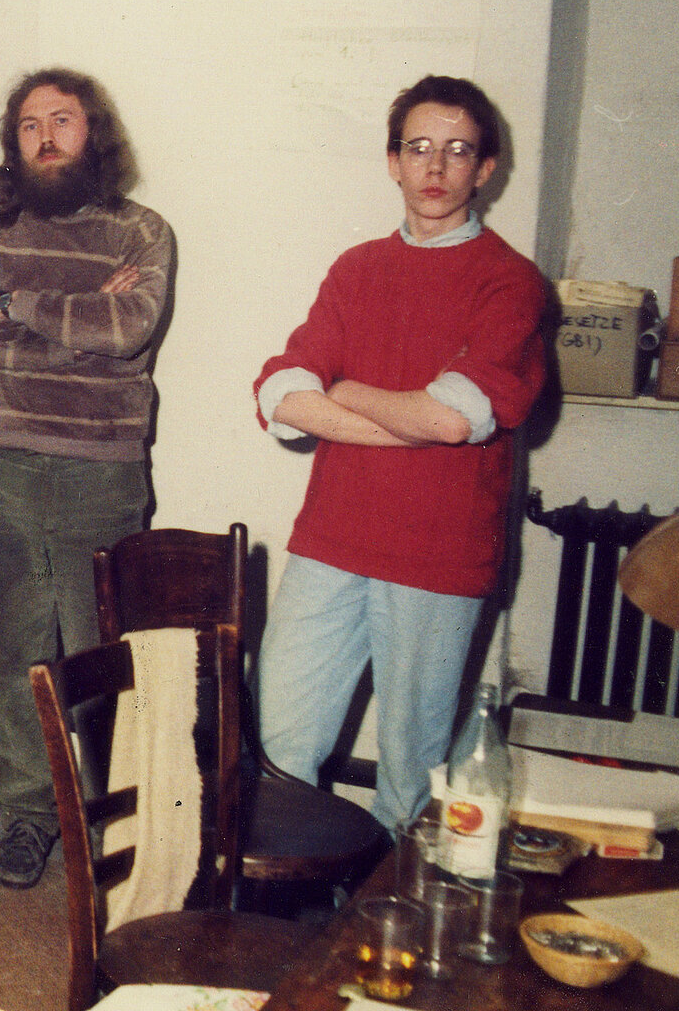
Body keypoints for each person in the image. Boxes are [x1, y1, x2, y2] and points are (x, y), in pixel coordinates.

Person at [254, 75, 548, 830]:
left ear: (485, 169)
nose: (436, 168)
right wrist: (405, 413)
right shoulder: (357, 268)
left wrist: (345, 390)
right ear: (393, 161)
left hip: (437, 556)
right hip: (332, 542)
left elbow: (454, 419)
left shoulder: (509, 282)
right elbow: (282, 395)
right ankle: (286, 917)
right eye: (419, 148)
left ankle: (385, 933)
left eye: (457, 151)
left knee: (410, 773)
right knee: (282, 738)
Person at [0, 67, 174, 889]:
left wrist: (20, 304)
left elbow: (127, 326)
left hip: (98, 479)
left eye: (62, 121)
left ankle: (118, 830)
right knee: (15, 662)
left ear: (93, 133)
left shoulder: (142, 232)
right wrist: (64, 320)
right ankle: (30, 818)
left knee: (102, 667)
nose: (44, 136)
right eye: (30, 124)